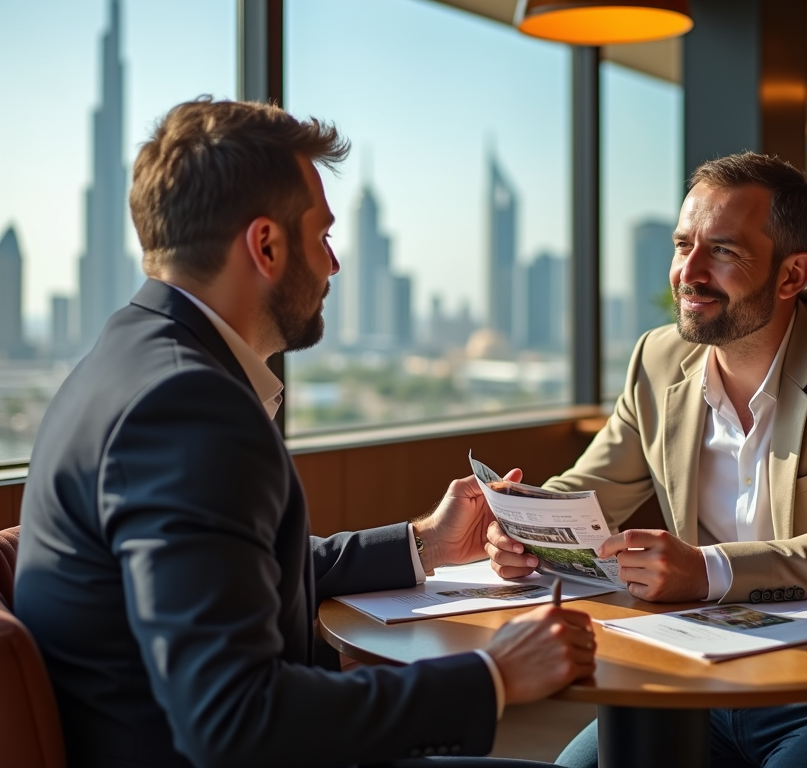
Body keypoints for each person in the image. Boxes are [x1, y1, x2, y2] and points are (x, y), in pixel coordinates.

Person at [13, 98, 597, 768]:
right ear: (266, 245)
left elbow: (230, 574)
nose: (333, 265)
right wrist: (495, 675)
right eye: (321, 236)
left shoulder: (126, 359)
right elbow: (234, 722)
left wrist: (424, 544)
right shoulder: (189, 406)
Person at [486, 153, 807, 768]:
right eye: (683, 244)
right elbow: (590, 488)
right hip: (695, 673)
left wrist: (705, 570)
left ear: (793, 275)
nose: (689, 272)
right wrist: (522, 523)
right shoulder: (656, 359)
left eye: (723, 252)